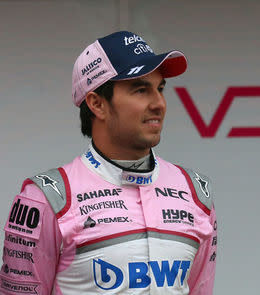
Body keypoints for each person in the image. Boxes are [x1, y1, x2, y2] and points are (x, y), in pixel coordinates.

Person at [1, 31, 217, 295]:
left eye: (160, 89)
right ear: (97, 104)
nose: (159, 104)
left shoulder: (196, 192)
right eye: (140, 90)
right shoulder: (47, 198)